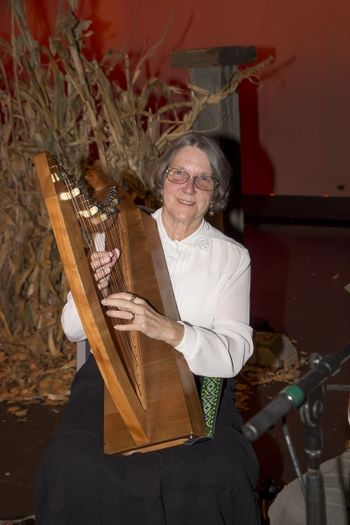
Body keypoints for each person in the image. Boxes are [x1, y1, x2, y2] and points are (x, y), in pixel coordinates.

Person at [35, 132, 260, 524]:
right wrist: (91, 286)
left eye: (203, 179)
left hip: (198, 382)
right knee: (73, 463)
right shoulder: (118, 231)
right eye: (179, 174)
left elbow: (234, 353)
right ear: (162, 178)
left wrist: (170, 331)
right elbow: (73, 330)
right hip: (112, 375)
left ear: (215, 191)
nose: (189, 188)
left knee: (211, 470)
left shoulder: (231, 258)